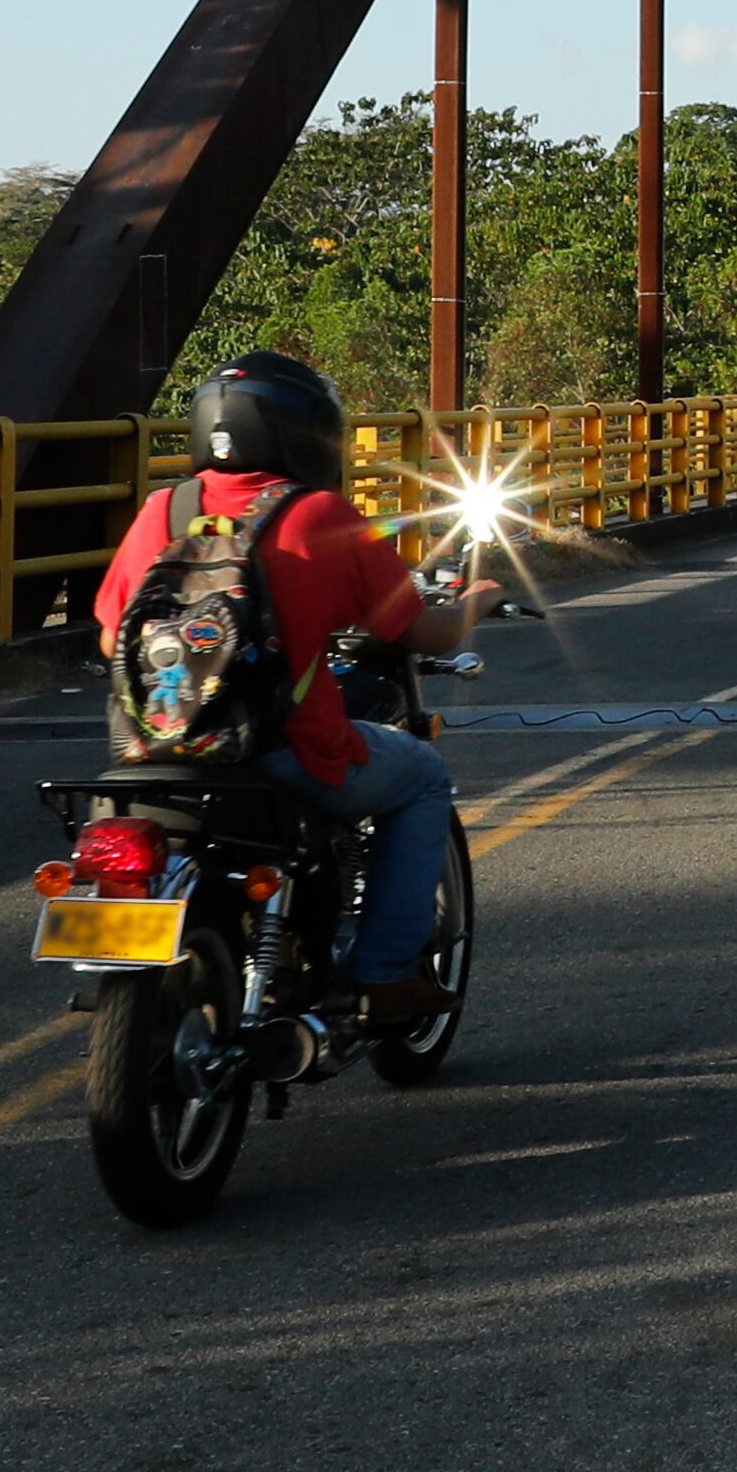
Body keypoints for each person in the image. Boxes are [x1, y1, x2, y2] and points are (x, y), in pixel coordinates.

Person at [93, 348, 500, 1026]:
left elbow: (112, 641)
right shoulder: (318, 516)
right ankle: (387, 976)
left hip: (149, 753)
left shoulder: (162, 511)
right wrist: (480, 598)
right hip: (279, 751)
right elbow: (423, 633)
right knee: (423, 777)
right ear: (303, 434)